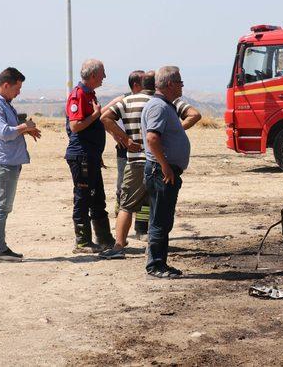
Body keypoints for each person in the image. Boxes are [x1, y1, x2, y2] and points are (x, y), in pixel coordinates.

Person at [99, 70, 201, 259]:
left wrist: (125, 139)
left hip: (137, 160)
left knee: (126, 205)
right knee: (156, 206)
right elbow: (195, 114)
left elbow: (104, 117)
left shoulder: (128, 101)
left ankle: (119, 246)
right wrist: (176, 131)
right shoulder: (166, 102)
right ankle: (151, 249)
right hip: (160, 161)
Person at [0, 67, 41, 262]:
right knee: (2, 207)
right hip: (4, 162)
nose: (19, 92)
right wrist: (25, 127)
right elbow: (4, 133)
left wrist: (25, 131)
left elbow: (9, 131)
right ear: (6, 85)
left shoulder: (4, 103)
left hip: (9, 162)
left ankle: (0, 248)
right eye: (17, 87)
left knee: (4, 206)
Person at [141, 66, 191, 278]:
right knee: (160, 220)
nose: (182, 85)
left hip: (164, 171)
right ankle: (155, 265)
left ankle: (160, 262)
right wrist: (165, 166)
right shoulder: (158, 107)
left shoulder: (164, 106)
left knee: (162, 219)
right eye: (179, 81)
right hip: (161, 172)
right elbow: (153, 139)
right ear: (169, 84)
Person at [65, 59, 115, 253]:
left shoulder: (89, 94)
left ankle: (104, 239)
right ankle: (83, 242)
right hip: (81, 156)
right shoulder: (77, 95)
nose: (105, 77)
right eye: (103, 73)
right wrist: (95, 115)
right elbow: (75, 126)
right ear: (93, 75)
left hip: (91, 155)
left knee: (97, 198)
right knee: (83, 198)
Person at [102, 70, 145, 216]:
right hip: (125, 148)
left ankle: (140, 219)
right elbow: (103, 116)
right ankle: (120, 209)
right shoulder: (123, 99)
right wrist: (117, 135)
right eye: (144, 83)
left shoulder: (148, 99)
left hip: (144, 149)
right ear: (135, 85)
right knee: (123, 181)